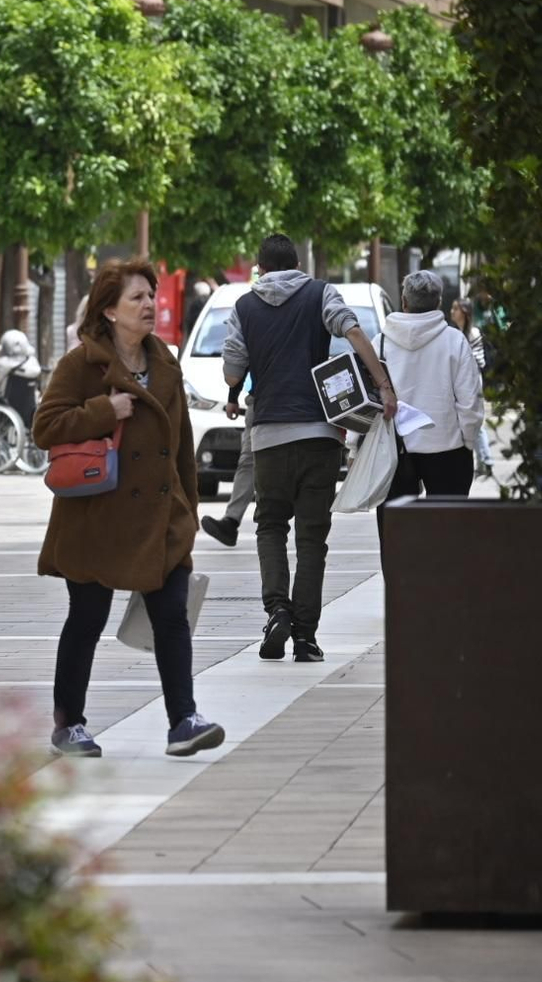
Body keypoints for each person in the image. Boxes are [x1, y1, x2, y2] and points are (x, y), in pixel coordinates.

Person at [33, 258, 225, 760]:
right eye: (137, 298)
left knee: (172, 618)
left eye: (150, 296)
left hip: (161, 518)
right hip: (97, 518)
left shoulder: (165, 362)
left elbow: (181, 445)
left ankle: (183, 720)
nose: (149, 305)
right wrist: (104, 410)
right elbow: (45, 427)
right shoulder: (82, 365)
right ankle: (68, 725)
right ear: (110, 311)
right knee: (86, 620)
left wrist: (189, 508)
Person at [222, 233, 396, 663]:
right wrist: (383, 384)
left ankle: (277, 608)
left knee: (270, 526)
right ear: (297, 264)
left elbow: (232, 365)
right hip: (320, 436)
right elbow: (353, 331)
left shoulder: (244, 307)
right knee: (312, 539)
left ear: (260, 269)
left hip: (268, 439)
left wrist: (233, 389)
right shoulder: (320, 293)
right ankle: (305, 637)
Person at [372, 271, 485, 528]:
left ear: (404, 301)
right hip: (448, 448)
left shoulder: (380, 343)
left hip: (395, 449)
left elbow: (369, 400)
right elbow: (470, 400)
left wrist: (357, 447)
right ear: (438, 302)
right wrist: (467, 440)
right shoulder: (454, 341)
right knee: (448, 530)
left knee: (395, 532)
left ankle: (399, 570)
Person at [201, 385, 255, 548]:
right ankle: (231, 521)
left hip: (269, 401)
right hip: (274, 400)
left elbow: (237, 363)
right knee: (250, 461)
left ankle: (232, 521)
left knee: (250, 461)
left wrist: (233, 396)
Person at [450, 297, 495, 474]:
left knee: (475, 420)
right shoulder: (456, 332)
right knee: (470, 420)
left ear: (465, 312)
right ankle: (483, 461)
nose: (452, 311)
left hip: (472, 380)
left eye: (456, 308)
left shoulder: (473, 333)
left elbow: (478, 361)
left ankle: (487, 459)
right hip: (463, 380)